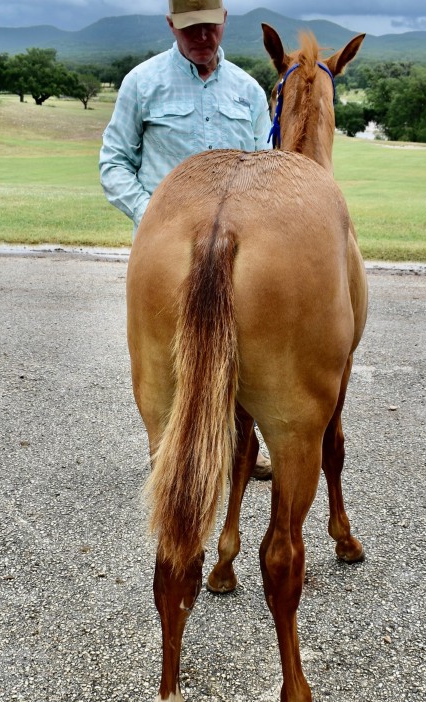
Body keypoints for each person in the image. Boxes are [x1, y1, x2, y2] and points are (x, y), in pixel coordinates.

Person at [99, 0, 272, 480]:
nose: (201, 38)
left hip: (237, 252)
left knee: (239, 352)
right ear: (171, 26)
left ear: (224, 22)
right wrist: (152, 217)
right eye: (190, 29)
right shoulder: (143, 83)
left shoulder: (248, 90)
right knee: (170, 360)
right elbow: (114, 162)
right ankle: (170, 454)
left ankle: (240, 448)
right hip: (167, 254)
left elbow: (266, 167)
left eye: (209, 27)